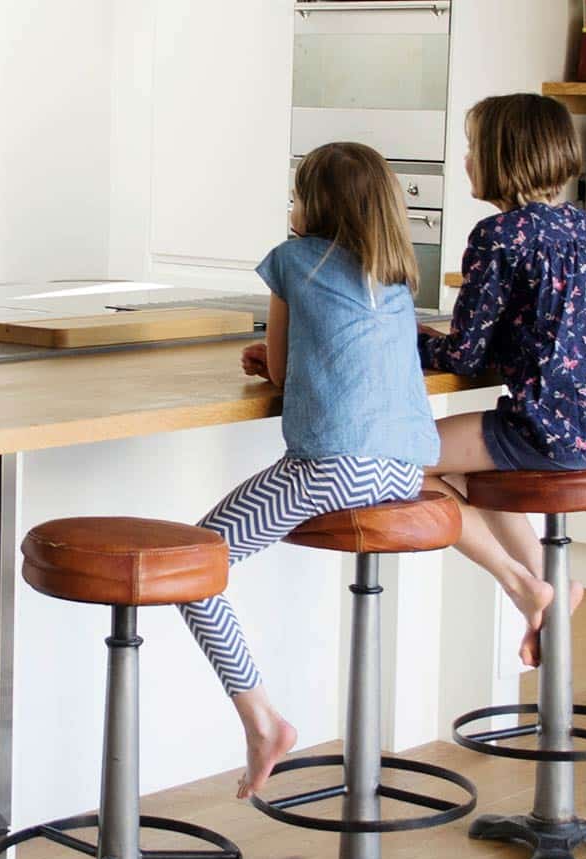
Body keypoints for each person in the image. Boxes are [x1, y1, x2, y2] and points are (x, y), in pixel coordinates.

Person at [195, 142, 441, 799]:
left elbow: (277, 371)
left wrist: (275, 358)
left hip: (334, 467)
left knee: (194, 569)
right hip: (407, 470)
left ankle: (263, 721)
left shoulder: (293, 261)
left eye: (297, 193)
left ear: (314, 204)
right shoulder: (393, 273)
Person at [420, 93, 586, 666]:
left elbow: (463, 358)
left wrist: (400, 332)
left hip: (555, 432)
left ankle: (518, 582)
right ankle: (548, 582)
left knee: (393, 458)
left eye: (473, 147)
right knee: (468, 463)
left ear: (501, 156)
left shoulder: (499, 236)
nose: (465, 160)